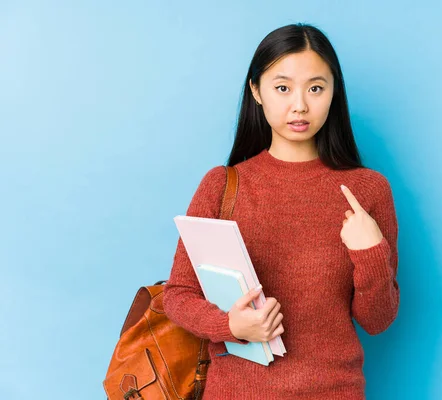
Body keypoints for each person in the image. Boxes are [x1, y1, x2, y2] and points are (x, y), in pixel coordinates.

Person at [163, 22, 400, 400]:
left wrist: (370, 252)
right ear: (257, 91)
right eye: (283, 87)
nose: (300, 104)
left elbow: (377, 321)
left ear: (333, 92)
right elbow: (177, 294)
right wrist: (230, 325)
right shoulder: (222, 186)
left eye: (316, 88)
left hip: (333, 391)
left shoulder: (367, 190)